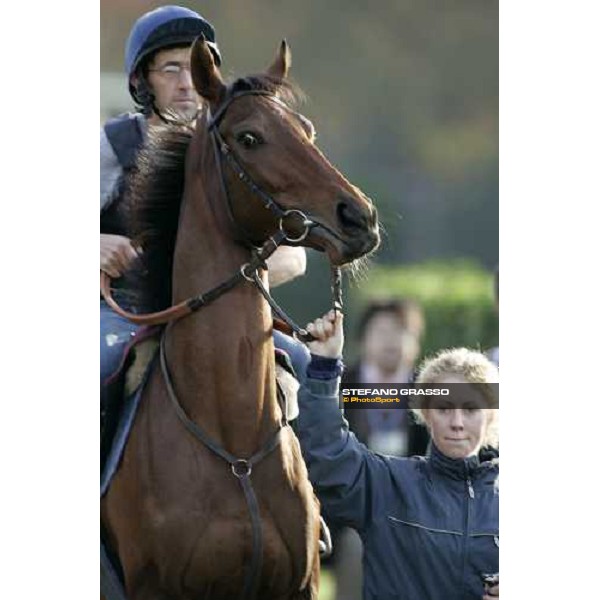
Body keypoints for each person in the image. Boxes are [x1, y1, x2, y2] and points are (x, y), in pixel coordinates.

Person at [100, 5, 308, 389]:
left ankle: (322, 452)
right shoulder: (111, 145)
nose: (186, 84)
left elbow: (294, 255)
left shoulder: (235, 150)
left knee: (304, 361)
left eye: (194, 69)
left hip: (219, 312)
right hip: (125, 311)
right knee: (99, 361)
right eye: (170, 69)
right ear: (142, 81)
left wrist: (236, 274)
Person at [298, 310, 499, 600]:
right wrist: (324, 368)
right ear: (427, 415)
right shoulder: (387, 479)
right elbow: (329, 450)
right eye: (444, 409)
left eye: (470, 410)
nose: (457, 422)